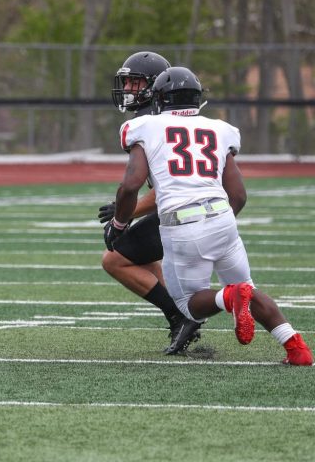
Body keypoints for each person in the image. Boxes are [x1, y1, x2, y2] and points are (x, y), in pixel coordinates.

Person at [106, 66, 312, 365]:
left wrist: (119, 223)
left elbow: (131, 185)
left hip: (183, 223)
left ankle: (228, 298)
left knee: (190, 307)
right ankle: (297, 348)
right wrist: (219, 223)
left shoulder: (144, 127)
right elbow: (239, 194)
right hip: (223, 217)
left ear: (160, 98)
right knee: (250, 289)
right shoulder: (221, 129)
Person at [102, 51, 202, 354]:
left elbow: (160, 192)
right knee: (142, 258)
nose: (128, 90)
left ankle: (180, 316)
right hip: (209, 209)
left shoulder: (147, 125)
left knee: (114, 260)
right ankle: (180, 317)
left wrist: (123, 216)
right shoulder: (171, 119)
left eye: (134, 83)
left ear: (151, 87)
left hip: (183, 211)